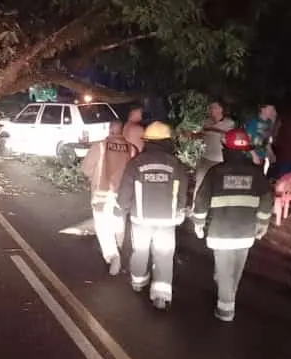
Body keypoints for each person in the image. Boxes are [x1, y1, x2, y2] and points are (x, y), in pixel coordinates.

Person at [191, 129, 273, 322]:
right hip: (245, 232)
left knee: (225, 271)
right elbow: (267, 198)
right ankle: (228, 292)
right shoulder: (256, 173)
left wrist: (199, 223)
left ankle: (226, 309)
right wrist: (262, 223)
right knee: (235, 269)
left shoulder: (215, 172)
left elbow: (201, 199)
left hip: (221, 232)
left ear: (225, 149)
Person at [115, 121, 191, 310]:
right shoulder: (176, 165)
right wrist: (181, 210)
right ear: (167, 141)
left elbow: (125, 192)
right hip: (167, 220)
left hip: (141, 219)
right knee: (164, 254)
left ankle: (138, 282)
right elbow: (182, 192)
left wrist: (120, 211)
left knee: (140, 251)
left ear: (147, 141)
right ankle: (161, 295)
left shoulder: (136, 164)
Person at [81, 120, 138, 275]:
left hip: (101, 194)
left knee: (102, 226)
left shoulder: (100, 146)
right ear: (122, 132)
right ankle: (120, 250)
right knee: (119, 223)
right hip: (123, 195)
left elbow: (86, 169)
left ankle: (113, 255)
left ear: (110, 130)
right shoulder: (132, 149)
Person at [192, 101, 237, 195]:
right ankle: (195, 205)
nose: (211, 109)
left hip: (220, 159)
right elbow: (203, 135)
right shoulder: (206, 122)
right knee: (200, 182)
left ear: (221, 109)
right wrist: (191, 135)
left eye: (214, 107)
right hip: (206, 158)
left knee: (217, 184)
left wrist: (213, 129)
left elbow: (230, 138)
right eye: (210, 107)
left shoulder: (229, 123)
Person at [243, 104, 277, 174]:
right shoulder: (253, 122)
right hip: (250, 157)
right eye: (270, 109)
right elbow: (246, 140)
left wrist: (271, 153)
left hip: (262, 156)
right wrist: (254, 155)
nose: (272, 111)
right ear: (262, 109)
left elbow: (266, 140)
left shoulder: (269, 123)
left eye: (273, 109)